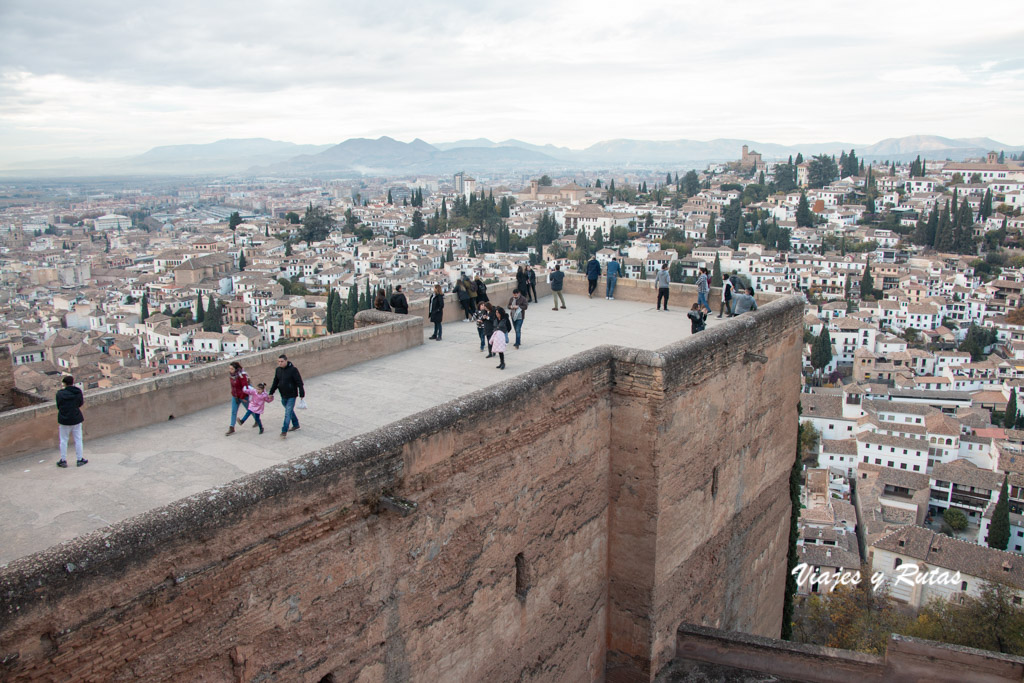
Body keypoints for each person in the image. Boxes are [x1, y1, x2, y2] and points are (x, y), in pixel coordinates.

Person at [269, 354, 304, 439]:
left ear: (286, 361)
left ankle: (284, 431)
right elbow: (275, 382)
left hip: (292, 394)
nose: (280, 363)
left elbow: (299, 382)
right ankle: (296, 424)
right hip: (283, 395)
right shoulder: (278, 370)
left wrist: (301, 393)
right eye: (279, 361)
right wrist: (271, 392)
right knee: (289, 410)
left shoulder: (293, 370)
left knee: (287, 413)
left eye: (282, 361)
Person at [55, 375, 86, 468]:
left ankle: (63, 460)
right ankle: (79, 459)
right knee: (78, 439)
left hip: (64, 419)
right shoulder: (78, 392)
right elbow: (80, 403)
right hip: (76, 418)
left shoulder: (60, 394)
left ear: (64, 383)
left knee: (63, 440)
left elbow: (59, 406)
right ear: (73, 382)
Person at [226, 361, 249, 436]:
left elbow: (245, 386)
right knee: (233, 411)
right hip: (235, 396)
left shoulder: (241, 375)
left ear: (236, 369)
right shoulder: (231, 376)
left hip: (242, 396)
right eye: (230, 368)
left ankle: (257, 421)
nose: (230, 370)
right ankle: (232, 427)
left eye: (232, 369)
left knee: (249, 410)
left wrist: (242, 397)